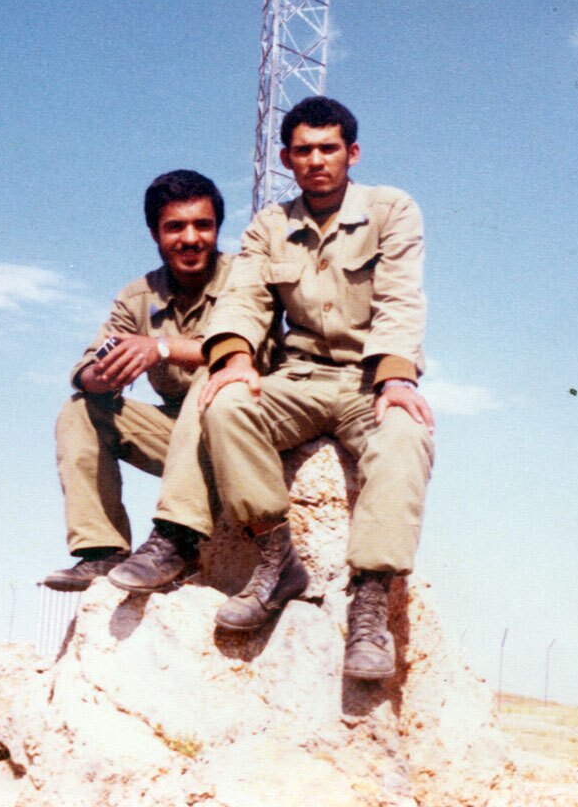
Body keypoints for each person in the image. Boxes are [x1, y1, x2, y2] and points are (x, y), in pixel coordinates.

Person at [110, 97, 435, 681]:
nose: (316, 160)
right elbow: (245, 300)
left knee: (405, 436)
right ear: (286, 159)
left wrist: (396, 377)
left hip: (367, 381)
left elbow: (401, 297)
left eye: (328, 148)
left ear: (352, 153)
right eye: (303, 150)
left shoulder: (391, 210)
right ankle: (271, 556)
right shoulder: (269, 225)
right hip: (299, 378)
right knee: (220, 396)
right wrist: (235, 358)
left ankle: (369, 604)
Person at [43, 169, 233, 592]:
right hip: (181, 437)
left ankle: (176, 538)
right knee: (80, 410)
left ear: (217, 228)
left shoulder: (244, 279)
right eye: (175, 227)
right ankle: (102, 551)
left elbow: (243, 350)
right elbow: (86, 368)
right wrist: (105, 373)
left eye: (202, 225)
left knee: (214, 376)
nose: (190, 239)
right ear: (154, 234)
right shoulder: (138, 297)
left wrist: (161, 348)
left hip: (240, 432)